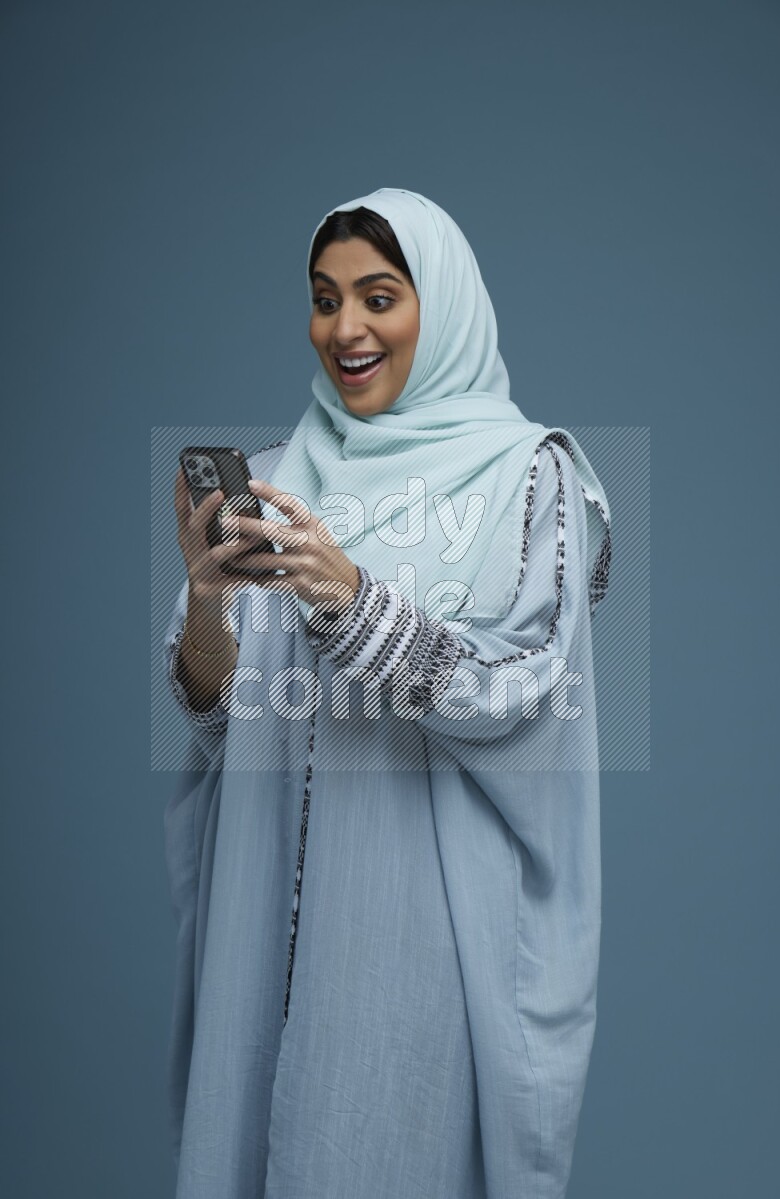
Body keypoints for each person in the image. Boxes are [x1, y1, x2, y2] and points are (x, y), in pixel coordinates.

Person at [162, 187, 612, 1199]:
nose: (345, 330)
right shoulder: (277, 479)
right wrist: (206, 598)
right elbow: (212, 713)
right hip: (257, 926)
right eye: (324, 300)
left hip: (419, 937)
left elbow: (527, 689)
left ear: (439, 307)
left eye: (378, 296)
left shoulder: (529, 480)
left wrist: (354, 599)